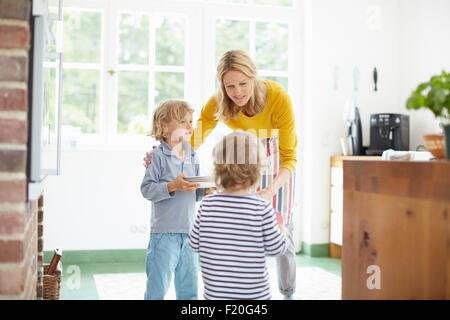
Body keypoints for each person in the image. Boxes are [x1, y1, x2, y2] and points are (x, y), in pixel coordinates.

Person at [144, 50, 298, 300]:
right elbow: (193, 139)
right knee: (244, 223)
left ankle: (288, 291)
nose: (237, 92)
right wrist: (163, 154)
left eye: (243, 84)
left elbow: (290, 156)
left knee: (284, 228)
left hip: (277, 154)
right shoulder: (219, 103)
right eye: (229, 86)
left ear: (254, 76)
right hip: (244, 151)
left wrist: (271, 190)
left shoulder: (279, 97)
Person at [189, 131, 288, 300]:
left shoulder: (207, 205)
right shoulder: (261, 208)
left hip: (215, 296)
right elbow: (276, 248)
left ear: (218, 169)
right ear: (256, 171)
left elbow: (193, 244)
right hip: (254, 297)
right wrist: (282, 232)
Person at [141, 99, 207, 300]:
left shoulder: (191, 155)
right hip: (164, 234)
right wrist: (172, 186)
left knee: (189, 287)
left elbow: (194, 193)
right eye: (184, 121)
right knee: (157, 287)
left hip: (189, 233)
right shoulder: (157, 156)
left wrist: (207, 190)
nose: (190, 126)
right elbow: (147, 189)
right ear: (164, 126)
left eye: (191, 121)